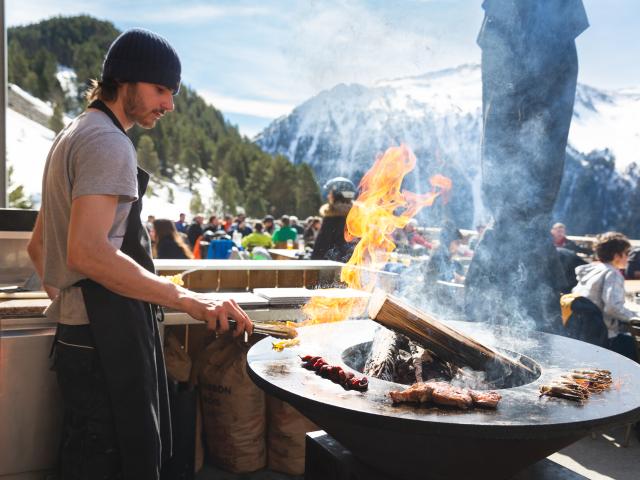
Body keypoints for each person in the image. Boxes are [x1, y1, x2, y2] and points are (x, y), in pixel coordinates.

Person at [26, 28, 252, 479]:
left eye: (173, 92)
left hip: (83, 337)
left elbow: (40, 246)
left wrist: (73, 302)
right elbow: (88, 253)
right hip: (103, 343)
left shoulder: (72, 133)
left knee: (86, 458)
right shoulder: (108, 143)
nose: (169, 104)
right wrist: (187, 299)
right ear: (124, 81)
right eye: (160, 89)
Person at [572, 232, 639, 361]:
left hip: (587, 333)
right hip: (606, 337)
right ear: (616, 256)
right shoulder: (612, 274)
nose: (628, 258)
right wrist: (635, 316)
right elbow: (612, 307)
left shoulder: (592, 270)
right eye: (626, 254)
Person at [312, 177, 356, 260]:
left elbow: (321, 245)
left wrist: (313, 260)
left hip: (332, 265)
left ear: (337, 195)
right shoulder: (357, 217)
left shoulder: (332, 217)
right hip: (352, 264)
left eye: (330, 193)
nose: (328, 196)